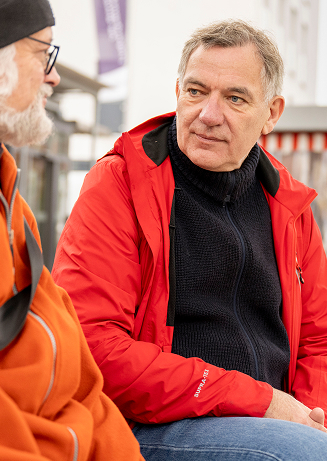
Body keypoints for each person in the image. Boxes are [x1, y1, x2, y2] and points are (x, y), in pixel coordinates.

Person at [52, 19, 327, 460]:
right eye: (197, 92)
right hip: (147, 424)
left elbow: (319, 340)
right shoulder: (120, 182)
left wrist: (312, 417)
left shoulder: (289, 206)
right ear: (177, 92)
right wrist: (262, 402)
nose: (209, 114)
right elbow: (92, 345)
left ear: (271, 114)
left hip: (277, 422)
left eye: (235, 98)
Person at [0, 0, 144, 459]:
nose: (54, 76)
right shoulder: (116, 181)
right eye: (43, 53)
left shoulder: (14, 207)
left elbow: (84, 381)